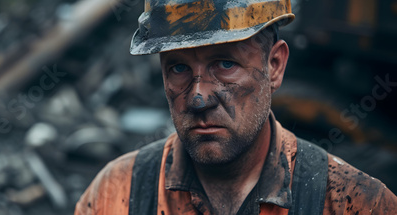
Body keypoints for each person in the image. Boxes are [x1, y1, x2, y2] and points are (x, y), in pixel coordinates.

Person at [75, 0, 397, 214]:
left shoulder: (355, 203)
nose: (198, 98)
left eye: (225, 64)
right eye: (178, 68)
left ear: (274, 66)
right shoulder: (114, 194)